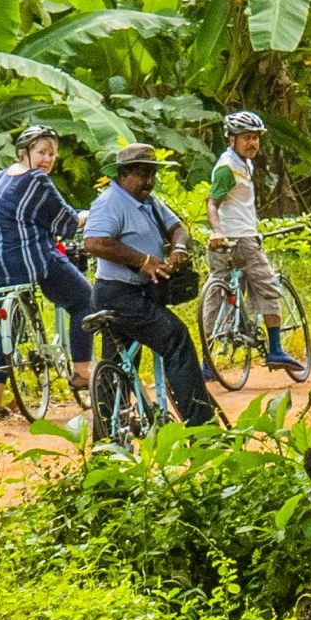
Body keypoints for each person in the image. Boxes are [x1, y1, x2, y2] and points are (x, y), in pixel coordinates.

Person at [82, 144, 219, 426]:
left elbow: (178, 228)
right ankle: (203, 428)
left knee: (119, 367)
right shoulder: (110, 203)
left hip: (140, 293)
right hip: (118, 294)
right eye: (142, 174)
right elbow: (94, 242)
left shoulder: (150, 203)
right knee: (176, 340)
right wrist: (144, 260)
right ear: (122, 174)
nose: (148, 181)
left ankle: (108, 444)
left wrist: (179, 248)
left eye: (151, 175)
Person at [0, 124, 93, 416]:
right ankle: (82, 371)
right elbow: (65, 220)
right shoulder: (37, 181)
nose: (47, 159)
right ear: (24, 153)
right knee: (84, 300)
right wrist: (84, 217)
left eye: (52, 154)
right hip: (30, 259)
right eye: (41, 152)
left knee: (4, 330)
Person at [206, 110, 309, 382]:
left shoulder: (244, 165)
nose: (252, 143)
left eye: (255, 138)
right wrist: (217, 230)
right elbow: (212, 202)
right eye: (246, 138)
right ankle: (275, 349)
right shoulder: (228, 168)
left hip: (231, 240)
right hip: (239, 240)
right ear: (232, 140)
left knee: (217, 293)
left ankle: (208, 362)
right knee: (268, 287)